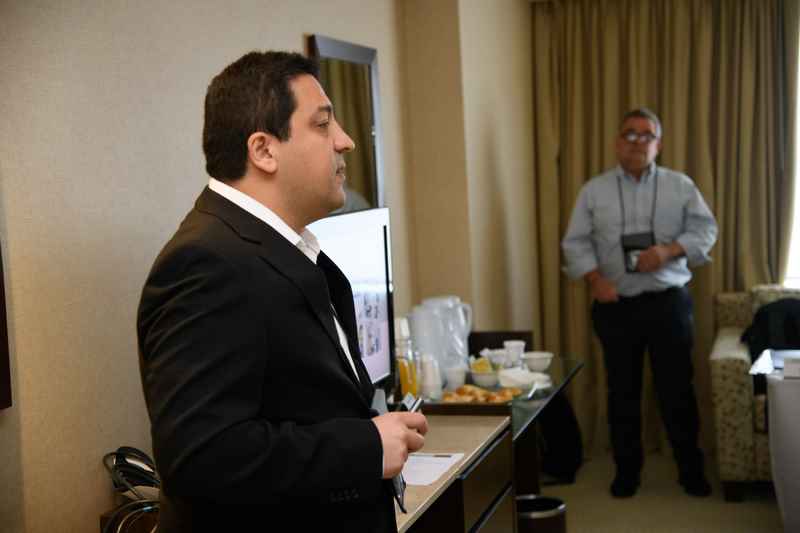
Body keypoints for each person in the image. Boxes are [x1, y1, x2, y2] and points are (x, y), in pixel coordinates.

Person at [137, 51, 428, 532]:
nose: (346, 141)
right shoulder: (208, 263)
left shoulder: (282, 249)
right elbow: (201, 458)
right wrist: (365, 447)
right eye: (323, 124)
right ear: (264, 151)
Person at [561, 108, 718, 498]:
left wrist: (668, 250)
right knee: (622, 392)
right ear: (618, 143)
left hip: (668, 303)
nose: (637, 142)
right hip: (616, 305)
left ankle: (690, 470)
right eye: (629, 134)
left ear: (658, 145)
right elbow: (575, 242)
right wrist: (595, 279)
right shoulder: (593, 191)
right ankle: (626, 472)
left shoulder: (680, 185)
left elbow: (706, 230)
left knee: (677, 390)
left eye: (646, 135)